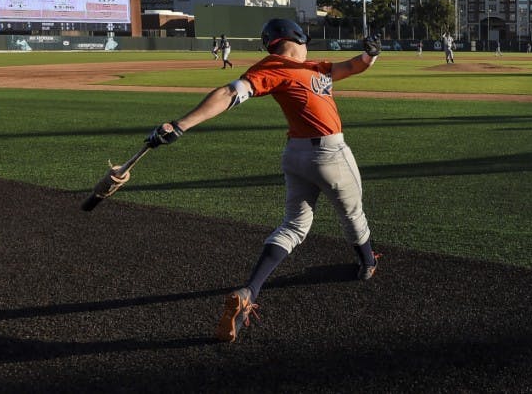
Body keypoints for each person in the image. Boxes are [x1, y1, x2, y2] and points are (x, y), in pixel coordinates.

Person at [143, 19, 382, 343]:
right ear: (297, 37)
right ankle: (367, 262)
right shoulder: (272, 68)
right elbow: (231, 92)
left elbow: (352, 67)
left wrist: (370, 56)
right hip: (330, 153)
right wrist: (181, 124)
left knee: (294, 226)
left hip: (296, 156)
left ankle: (249, 291)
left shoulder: (314, 66)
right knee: (352, 215)